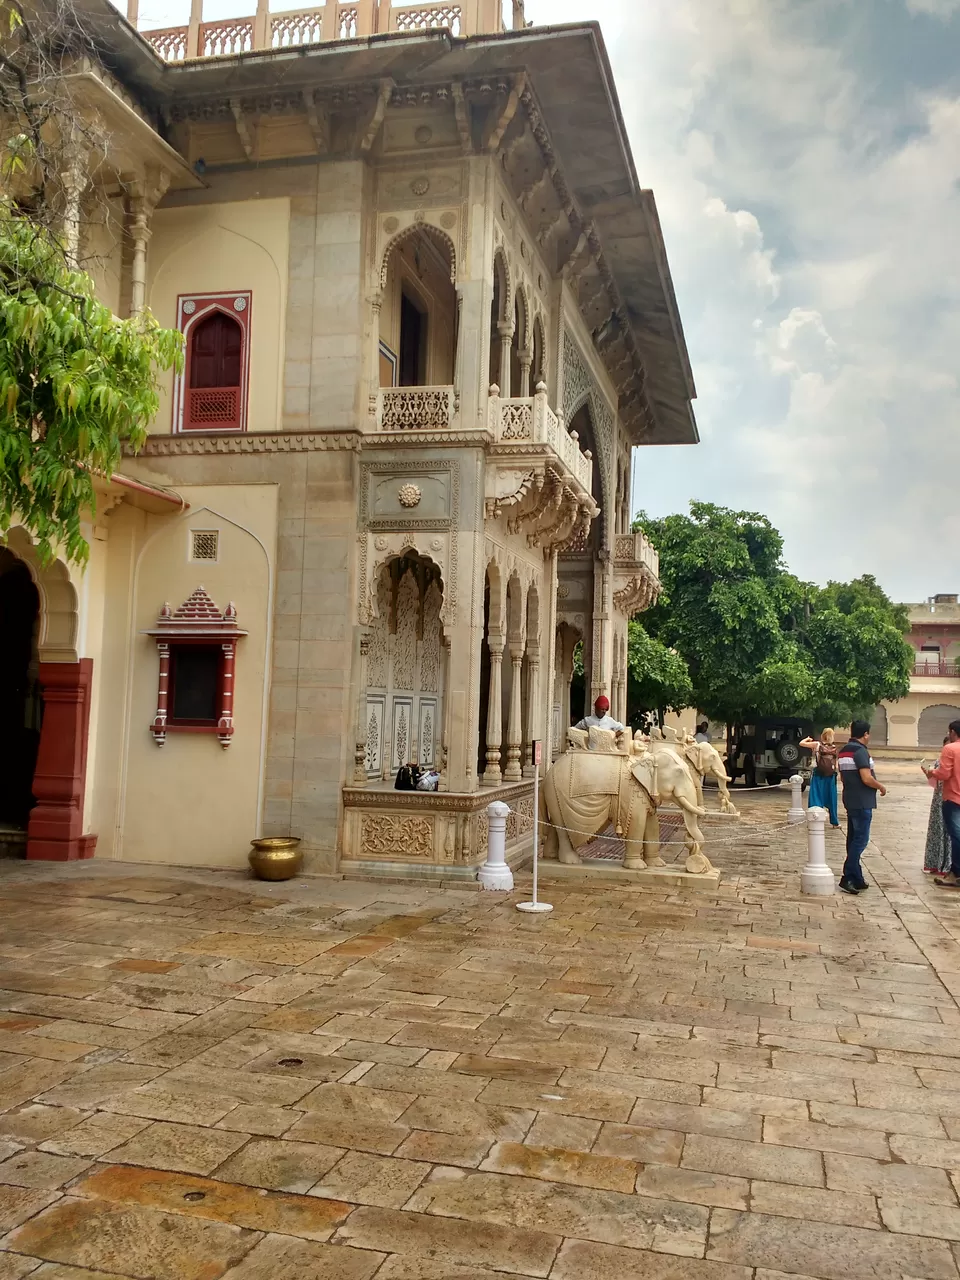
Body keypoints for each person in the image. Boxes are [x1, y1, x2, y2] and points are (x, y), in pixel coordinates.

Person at [837, 720, 886, 895]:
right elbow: (866, 778)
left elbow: (843, 777)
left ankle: (857, 876)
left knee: (853, 838)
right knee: (861, 840)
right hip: (863, 800)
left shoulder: (843, 751)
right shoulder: (860, 751)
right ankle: (848, 876)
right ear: (865, 734)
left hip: (850, 798)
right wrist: (880, 786)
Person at [923, 720, 960, 888]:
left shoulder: (950, 748)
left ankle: (955, 872)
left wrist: (932, 772)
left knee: (956, 836)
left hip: (953, 797)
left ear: (953, 732)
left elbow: (944, 774)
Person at [923, 737, 952, 877]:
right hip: (938, 799)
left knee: (950, 832)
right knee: (938, 829)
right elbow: (935, 781)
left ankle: (948, 863)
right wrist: (930, 773)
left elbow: (944, 775)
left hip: (950, 797)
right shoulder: (940, 760)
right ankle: (936, 862)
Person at [800, 728, 840, 828]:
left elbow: (801, 743)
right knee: (832, 798)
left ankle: (813, 819)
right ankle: (834, 822)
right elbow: (836, 764)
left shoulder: (817, 744)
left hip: (819, 774)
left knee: (816, 796)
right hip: (830, 776)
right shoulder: (834, 747)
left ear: (823, 735)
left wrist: (807, 739)